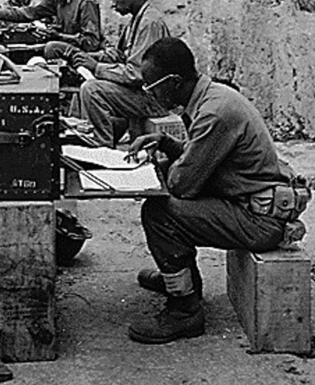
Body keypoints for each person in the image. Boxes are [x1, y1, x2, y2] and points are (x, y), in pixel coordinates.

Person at [126, 37, 307, 344]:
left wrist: (167, 169)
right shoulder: (213, 96)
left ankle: (185, 310)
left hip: (259, 220)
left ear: (174, 82)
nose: (150, 93)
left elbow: (183, 186)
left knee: (159, 213)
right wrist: (167, 144)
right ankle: (183, 281)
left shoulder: (214, 112)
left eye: (151, 86)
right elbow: (205, 156)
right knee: (167, 206)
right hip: (249, 204)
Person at [73, 0, 170, 146]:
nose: (114, 4)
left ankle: (103, 146)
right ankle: (85, 135)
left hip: (154, 99)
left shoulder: (150, 23)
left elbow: (136, 74)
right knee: (79, 89)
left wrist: (96, 67)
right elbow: (119, 56)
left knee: (92, 90)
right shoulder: (136, 20)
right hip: (141, 94)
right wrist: (89, 57)